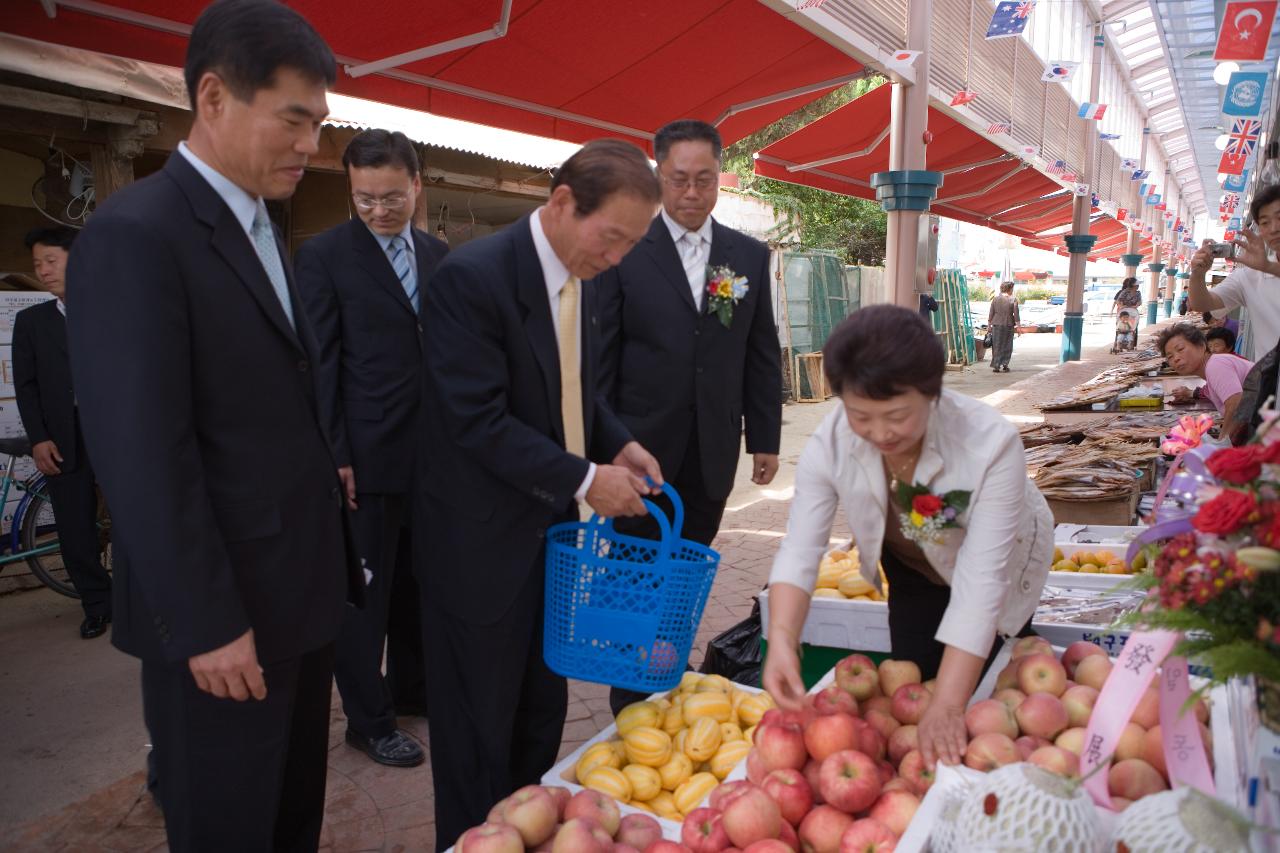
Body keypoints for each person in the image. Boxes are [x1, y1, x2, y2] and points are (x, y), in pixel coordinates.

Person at [63, 2, 362, 849]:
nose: (311, 144)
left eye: (320, 123)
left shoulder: (263, 220)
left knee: (289, 813)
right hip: (220, 615)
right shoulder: (137, 234)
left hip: (293, 596)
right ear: (214, 98)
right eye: (293, 118)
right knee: (226, 821)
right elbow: (142, 450)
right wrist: (204, 621)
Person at [417, 139, 665, 849]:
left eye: (631, 245)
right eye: (611, 237)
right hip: (477, 546)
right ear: (561, 204)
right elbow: (477, 419)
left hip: (545, 538)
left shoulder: (580, 279)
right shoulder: (473, 278)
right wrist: (590, 479)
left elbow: (574, 391)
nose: (617, 257)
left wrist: (615, 440)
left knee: (536, 713)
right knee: (475, 731)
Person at [761, 305, 1052, 771]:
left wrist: (952, 705)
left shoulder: (989, 443)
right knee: (916, 675)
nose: (879, 433)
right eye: (860, 415)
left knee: (991, 693)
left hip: (1003, 562)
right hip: (910, 562)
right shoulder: (830, 442)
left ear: (933, 394)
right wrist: (780, 639)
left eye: (896, 415)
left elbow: (981, 585)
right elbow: (800, 548)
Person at [595, 120, 782, 713]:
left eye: (705, 180)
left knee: (684, 579)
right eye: (679, 180)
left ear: (719, 179)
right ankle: (629, 706)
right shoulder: (624, 252)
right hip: (636, 454)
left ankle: (665, 680)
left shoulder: (747, 255)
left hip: (710, 449)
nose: (693, 193)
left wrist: (766, 438)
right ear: (659, 177)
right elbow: (600, 361)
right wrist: (604, 448)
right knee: (633, 579)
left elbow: (759, 351)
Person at [295, 129, 447, 768]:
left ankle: (413, 691)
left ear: (416, 184)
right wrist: (335, 453)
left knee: (421, 585)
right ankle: (368, 719)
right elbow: (318, 363)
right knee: (365, 600)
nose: (379, 211)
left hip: (434, 458)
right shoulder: (324, 257)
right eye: (364, 200)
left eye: (391, 197)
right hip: (364, 458)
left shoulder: (441, 256)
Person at [12, 226, 113, 638]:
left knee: (135, 521)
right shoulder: (31, 321)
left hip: (116, 437)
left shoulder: (116, 312)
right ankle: (98, 604)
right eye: (38, 264)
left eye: (51, 261)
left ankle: (146, 604)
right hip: (61, 441)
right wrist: (38, 437)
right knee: (74, 529)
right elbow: (27, 385)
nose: (44, 270)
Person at [1188, 184, 1280, 358]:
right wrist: (1197, 274)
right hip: (1272, 382)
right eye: (1265, 222)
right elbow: (1202, 304)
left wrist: (1268, 267)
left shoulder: (1262, 268)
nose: (1274, 228)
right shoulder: (1247, 277)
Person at [1162, 323, 1253, 424]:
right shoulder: (1210, 372)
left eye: (1180, 349)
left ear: (1201, 346)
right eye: (1170, 357)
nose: (1176, 358)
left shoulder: (1215, 364)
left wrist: (1223, 439)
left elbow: (1235, 405)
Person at [986, 281, 1019, 373]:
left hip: (996, 324)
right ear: (1009, 289)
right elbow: (1016, 315)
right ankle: (1005, 364)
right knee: (1007, 345)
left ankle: (996, 366)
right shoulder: (1013, 299)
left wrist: (989, 325)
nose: (1012, 290)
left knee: (996, 345)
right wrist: (1019, 327)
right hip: (1008, 325)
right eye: (1012, 288)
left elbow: (991, 313)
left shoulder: (995, 299)